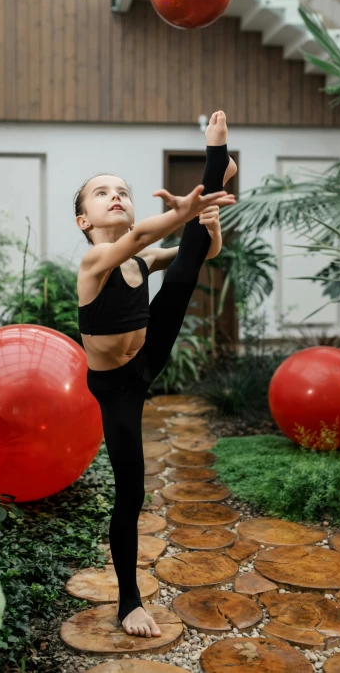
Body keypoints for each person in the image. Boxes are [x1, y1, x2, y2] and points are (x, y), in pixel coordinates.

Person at [74, 110, 237, 639]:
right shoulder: (95, 263)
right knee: (131, 493)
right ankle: (128, 602)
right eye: (102, 193)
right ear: (84, 221)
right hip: (116, 390)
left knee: (186, 264)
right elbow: (144, 234)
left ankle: (217, 161)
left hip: (147, 360)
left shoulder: (139, 261)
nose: (116, 195)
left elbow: (197, 254)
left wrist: (205, 226)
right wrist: (191, 206)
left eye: (122, 189)